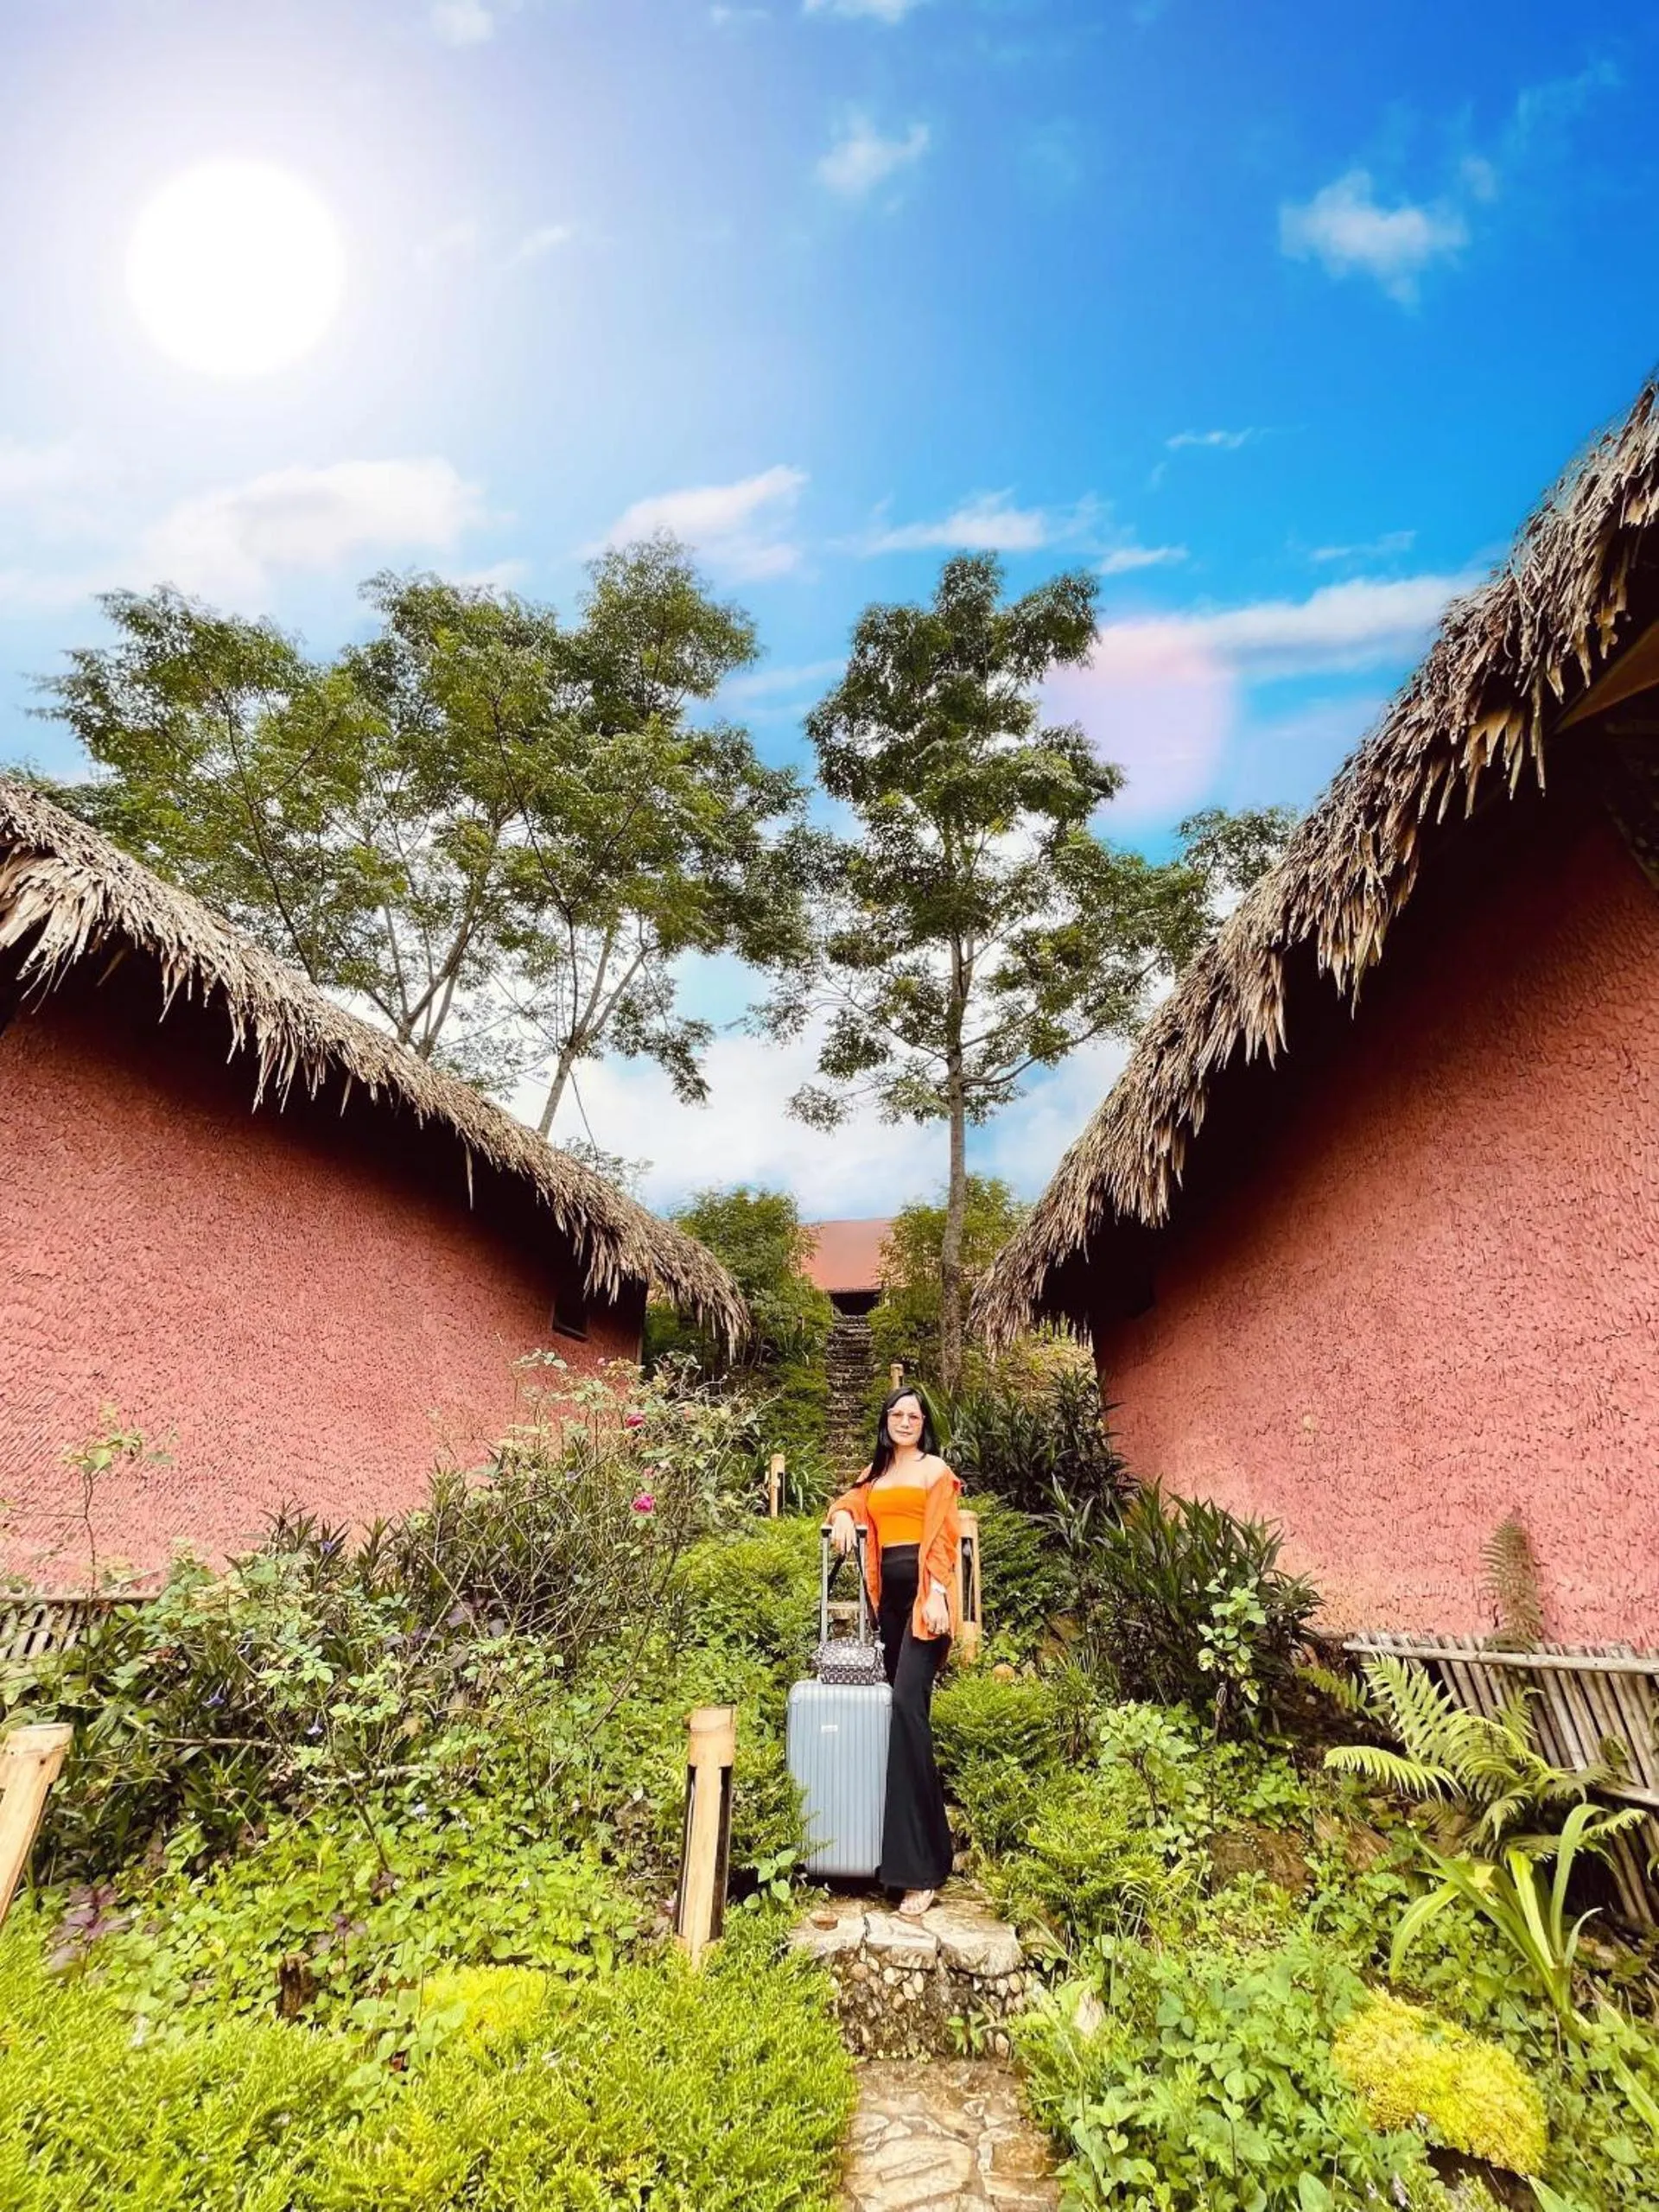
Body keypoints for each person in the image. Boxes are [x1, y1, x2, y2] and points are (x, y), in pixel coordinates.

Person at [827, 1386, 962, 1917]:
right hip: (890, 1604)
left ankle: (919, 1872)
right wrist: (841, 1515)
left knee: (907, 1707)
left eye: (914, 1414)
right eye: (897, 1414)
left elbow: (947, 1538)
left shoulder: (935, 1470)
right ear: (886, 1421)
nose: (905, 1421)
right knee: (903, 1721)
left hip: (927, 1601)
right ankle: (928, 1852)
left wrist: (939, 1595)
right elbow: (851, 1501)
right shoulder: (877, 1473)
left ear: (924, 1423)